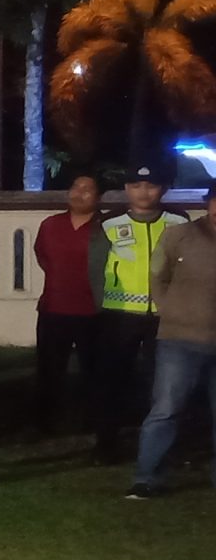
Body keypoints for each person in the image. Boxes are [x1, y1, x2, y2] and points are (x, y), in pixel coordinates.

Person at [89, 162, 189, 464]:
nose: (143, 192)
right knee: (113, 382)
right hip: (119, 315)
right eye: (135, 186)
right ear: (126, 190)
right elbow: (95, 269)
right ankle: (106, 446)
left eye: (150, 185)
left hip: (165, 316)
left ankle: (163, 447)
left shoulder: (178, 222)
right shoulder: (108, 223)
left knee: (164, 384)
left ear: (163, 189)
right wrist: (101, 307)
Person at [126, 185, 216, 499]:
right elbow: (157, 275)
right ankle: (148, 477)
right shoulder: (180, 235)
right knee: (165, 409)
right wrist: (169, 309)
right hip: (180, 339)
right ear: (208, 204)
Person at [29, 169, 100, 437]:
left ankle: (91, 420)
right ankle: (43, 422)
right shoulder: (50, 225)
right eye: (76, 186)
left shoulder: (105, 228)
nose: (80, 192)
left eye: (88, 188)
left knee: (93, 370)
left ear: (99, 196)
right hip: (53, 309)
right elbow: (43, 256)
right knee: (48, 369)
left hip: (93, 311)